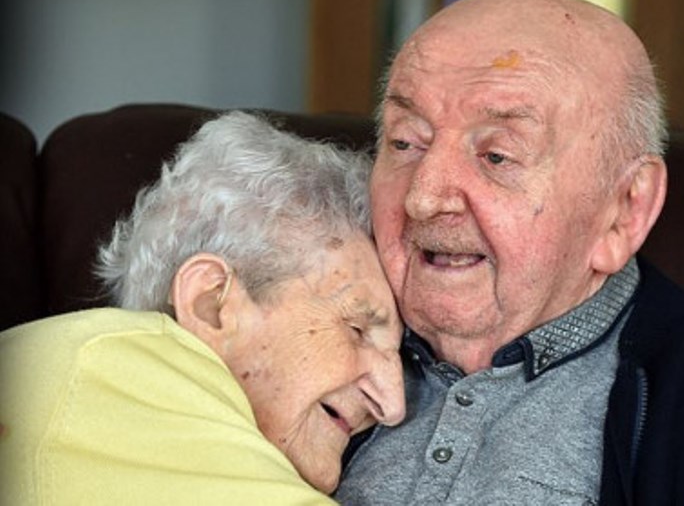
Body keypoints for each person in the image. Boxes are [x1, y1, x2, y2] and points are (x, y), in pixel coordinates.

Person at [335, 0, 684, 506]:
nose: (423, 198)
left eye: (497, 156)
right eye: (405, 142)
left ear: (625, 208)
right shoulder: (290, 319)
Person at [0, 111, 406, 505]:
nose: (392, 405)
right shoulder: (102, 378)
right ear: (210, 302)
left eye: (400, 356)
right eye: (356, 330)